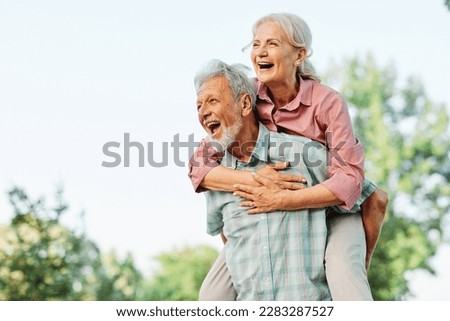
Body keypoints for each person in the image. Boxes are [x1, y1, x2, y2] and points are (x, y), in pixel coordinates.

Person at [189, 13, 388, 301]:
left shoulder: (327, 102)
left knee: (345, 274)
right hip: (271, 212)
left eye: (272, 43)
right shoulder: (249, 95)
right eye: (256, 44)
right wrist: (254, 179)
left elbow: (350, 182)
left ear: (299, 55)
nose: (261, 52)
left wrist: (283, 199)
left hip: (330, 208)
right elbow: (199, 166)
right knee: (211, 294)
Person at [195, 59, 333, 300]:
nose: (203, 112)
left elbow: (364, 197)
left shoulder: (304, 156)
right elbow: (229, 238)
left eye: (213, 101)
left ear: (245, 103)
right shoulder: (216, 177)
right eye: (198, 106)